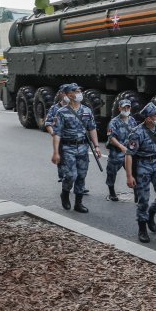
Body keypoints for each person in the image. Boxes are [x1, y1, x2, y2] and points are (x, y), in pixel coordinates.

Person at [124, 103, 156, 243]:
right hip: (143, 166)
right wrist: (129, 176)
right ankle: (142, 228)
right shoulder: (137, 132)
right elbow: (129, 155)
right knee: (143, 199)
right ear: (148, 118)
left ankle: (151, 213)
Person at [51, 83, 101, 213]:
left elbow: (92, 128)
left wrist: (96, 146)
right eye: (75, 91)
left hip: (83, 147)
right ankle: (65, 193)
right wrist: (56, 152)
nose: (79, 92)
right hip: (68, 147)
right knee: (71, 175)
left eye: (79, 90)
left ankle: (78, 203)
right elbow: (57, 134)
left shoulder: (87, 111)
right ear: (68, 95)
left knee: (81, 175)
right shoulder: (61, 112)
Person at [105, 99, 137, 201]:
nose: (126, 109)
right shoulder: (114, 122)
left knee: (134, 172)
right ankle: (111, 191)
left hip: (130, 152)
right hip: (117, 152)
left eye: (128, 107)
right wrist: (120, 146)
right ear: (119, 108)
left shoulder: (132, 120)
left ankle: (137, 192)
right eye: (124, 107)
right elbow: (111, 137)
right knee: (112, 172)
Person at [44, 87, 69, 183]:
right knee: (62, 159)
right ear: (61, 94)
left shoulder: (77, 107)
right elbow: (48, 123)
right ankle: (64, 179)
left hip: (74, 139)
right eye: (64, 93)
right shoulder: (55, 108)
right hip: (61, 139)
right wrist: (53, 134)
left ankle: (80, 185)